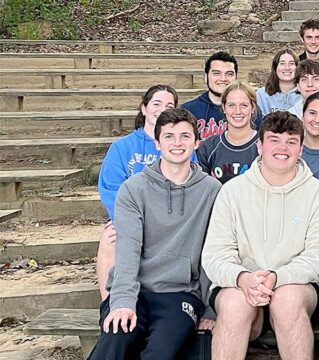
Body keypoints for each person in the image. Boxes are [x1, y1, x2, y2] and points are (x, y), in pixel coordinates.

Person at [201, 112, 319, 360]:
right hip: (240, 284)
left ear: (301, 148)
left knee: (286, 301)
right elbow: (216, 255)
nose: (282, 148)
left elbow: (318, 257)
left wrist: (277, 277)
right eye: (274, 140)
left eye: (291, 141)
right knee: (234, 304)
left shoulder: (318, 194)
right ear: (260, 146)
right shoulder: (232, 191)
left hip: (297, 286)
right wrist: (243, 278)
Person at [88, 109, 221, 360]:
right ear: (157, 143)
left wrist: (211, 309)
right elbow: (127, 250)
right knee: (114, 341)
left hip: (180, 293)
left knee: (160, 352)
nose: (177, 143)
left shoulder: (212, 191)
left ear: (196, 142)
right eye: (169, 137)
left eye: (185, 136)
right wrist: (123, 301)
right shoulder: (134, 189)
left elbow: (212, 253)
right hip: (135, 291)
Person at [96, 85, 178, 300]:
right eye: (156, 104)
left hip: (170, 221)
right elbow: (111, 189)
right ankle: (110, 305)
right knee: (110, 238)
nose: (162, 109)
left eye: (169, 105)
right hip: (130, 219)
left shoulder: (180, 146)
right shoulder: (122, 147)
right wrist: (131, 222)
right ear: (144, 108)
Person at [197, 81, 261, 184]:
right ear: (224, 108)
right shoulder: (209, 147)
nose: (237, 111)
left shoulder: (264, 145)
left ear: (253, 107)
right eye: (231, 105)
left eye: (244, 105)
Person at [182, 51, 237, 141]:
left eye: (229, 74)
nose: (223, 79)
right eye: (216, 73)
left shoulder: (248, 111)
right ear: (205, 77)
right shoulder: (188, 111)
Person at [256, 49, 302, 114]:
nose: (287, 68)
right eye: (282, 63)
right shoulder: (261, 95)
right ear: (275, 68)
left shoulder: (304, 95)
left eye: (291, 63)